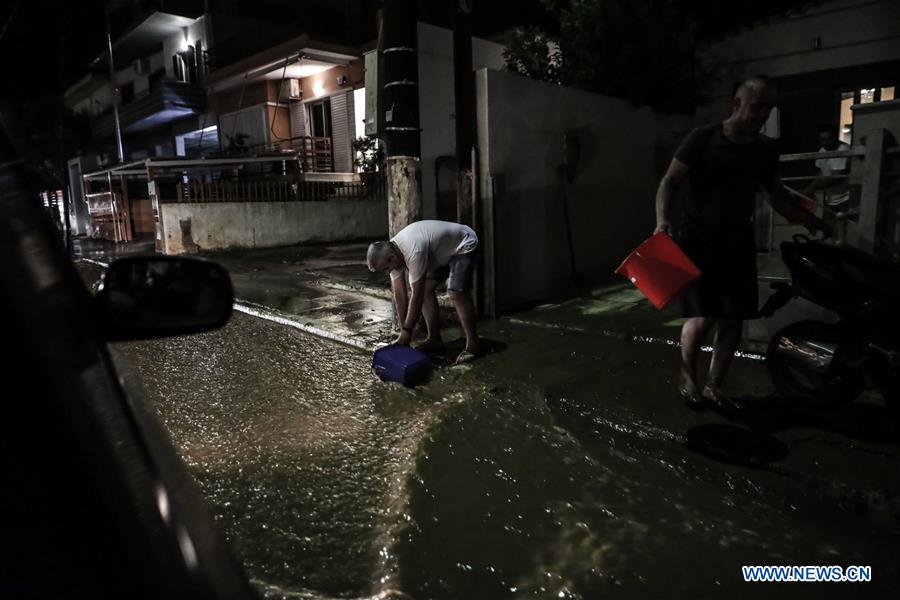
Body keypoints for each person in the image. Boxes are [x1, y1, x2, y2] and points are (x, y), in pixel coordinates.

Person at [654, 75, 830, 411]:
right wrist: (662, 221)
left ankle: (714, 387)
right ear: (737, 104)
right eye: (758, 106)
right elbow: (669, 182)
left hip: (738, 244)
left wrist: (811, 219)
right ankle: (687, 373)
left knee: (734, 319)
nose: (763, 114)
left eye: (769, 108)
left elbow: (776, 198)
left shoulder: (764, 150)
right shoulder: (702, 138)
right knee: (703, 317)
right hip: (698, 242)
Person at [366, 219, 481, 363]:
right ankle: (434, 339)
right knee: (426, 288)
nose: (388, 272)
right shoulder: (392, 253)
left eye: (386, 269)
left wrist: (407, 331)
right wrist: (403, 332)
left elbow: (416, 297)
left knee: (456, 293)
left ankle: (473, 345)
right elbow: (400, 295)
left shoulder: (413, 250)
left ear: (391, 258)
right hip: (441, 252)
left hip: (464, 243)